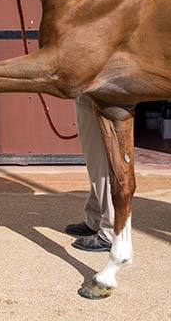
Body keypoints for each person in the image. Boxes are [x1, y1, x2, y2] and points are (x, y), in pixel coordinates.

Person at [64, 95, 114, 252]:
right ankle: (96, 219)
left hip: (98, 92)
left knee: (100, 159)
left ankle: (110, 231)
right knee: (96, 161)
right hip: (90, 92)